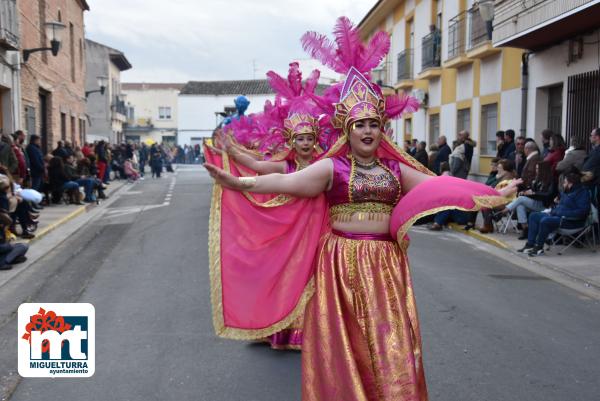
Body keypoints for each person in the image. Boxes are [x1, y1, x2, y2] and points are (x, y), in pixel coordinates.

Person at [205, 44, 511, 399]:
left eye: (374, 125)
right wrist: (240, 182)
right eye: (360, 125)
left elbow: (441, 186)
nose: (367, 131)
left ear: (382, 130)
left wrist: (492, 193)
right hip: (340, 265)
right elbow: (285, 182)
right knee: (345, 343)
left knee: (389, 341)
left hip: (385, 266)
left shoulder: (396, 169)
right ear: (347, 131)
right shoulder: (331, 167)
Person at [519, 171, 591, 256]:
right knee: (534, 216)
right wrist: (554, 210)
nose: (563, 185)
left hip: (571, 221)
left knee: (546, 220)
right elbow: (560, 207)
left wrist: (560, 213)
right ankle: (530, 245)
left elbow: (582, 212)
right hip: (559, 217)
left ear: (570, 184)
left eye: (564, 182)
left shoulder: (583, 193)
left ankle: (539, 247)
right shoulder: (566, 192)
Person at [501, 161, 555, 240]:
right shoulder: (537, 179)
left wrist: (533, 193)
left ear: (543, 169)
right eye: (536, 168)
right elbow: (532, 191)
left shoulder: (550, 181)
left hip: (544, 206)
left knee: (521, 199)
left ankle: (504, 211)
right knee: (520, 205)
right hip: (535, 203)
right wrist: (525, 192)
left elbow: (548, 195)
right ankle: (525, 230)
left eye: (538, 169)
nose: (536, 170)